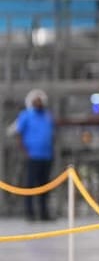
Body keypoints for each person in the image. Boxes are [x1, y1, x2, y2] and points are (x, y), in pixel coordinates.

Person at [10, 90, 56, 222]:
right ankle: (30, 213)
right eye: (36, 101)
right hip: (32, 156)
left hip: (46, 156)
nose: (39, 103)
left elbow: (52, 133)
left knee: (45, 186)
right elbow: (18, 133)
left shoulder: (47, 116)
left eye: (40, 100)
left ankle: (44, 213)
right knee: (30, 185)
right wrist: (25, 151)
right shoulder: (26, 115)